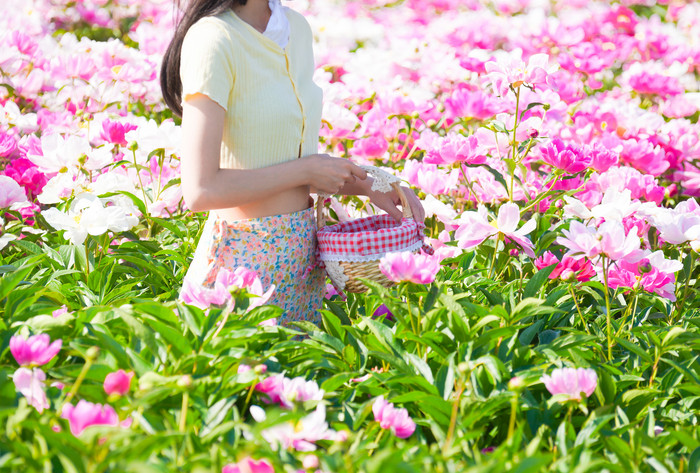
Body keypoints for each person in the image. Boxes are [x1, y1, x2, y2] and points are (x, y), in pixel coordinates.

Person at [160, 0, 425, 324]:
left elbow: (287, 162)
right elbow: (201, 190)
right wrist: (305, 169)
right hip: (238, 270)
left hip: (300, 262)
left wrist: (371, 183)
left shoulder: (295, 29)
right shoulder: (214, 39)